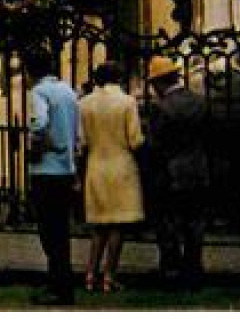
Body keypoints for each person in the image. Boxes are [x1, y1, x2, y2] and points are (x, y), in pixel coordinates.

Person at [78, 61, 144, 293]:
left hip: (96, 166)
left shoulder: (85, 104)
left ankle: (89, 274)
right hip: (121, 167)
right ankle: (109, 275)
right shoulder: (127, 102)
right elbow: (135, 139)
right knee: (118, 226)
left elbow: (82, 141)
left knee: (98, 227)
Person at [145, 56, 210, 287]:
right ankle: (193, 268)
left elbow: (154, 144)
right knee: (195, 223)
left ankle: (171, 267)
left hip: (170, 173)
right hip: (197, 170)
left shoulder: (160, 107)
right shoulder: (200, 102)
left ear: (159, 83)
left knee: (168, 222)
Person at [25, 49, 81, 305]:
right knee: (61, 230)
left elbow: (38, 125)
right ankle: (63, 283)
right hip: (66, 169)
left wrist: (42, 147)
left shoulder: (39, 93)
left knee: (48, 231)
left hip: (46, 169)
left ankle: (57, 285)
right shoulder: (68, 92)